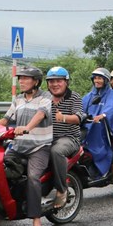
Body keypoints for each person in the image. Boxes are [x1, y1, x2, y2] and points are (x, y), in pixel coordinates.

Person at [0, 67, 53, 226]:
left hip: (39, 147)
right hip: (18, 148)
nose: (21, 82)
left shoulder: (45, 97)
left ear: (36, 81)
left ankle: (36, 221)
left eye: (26, 79)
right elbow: (5, 119)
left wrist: (27, 128)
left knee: (33, 178)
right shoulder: (18, 99)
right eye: (20, 79)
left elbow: (40, 115)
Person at [83, 67, 113, 199]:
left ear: (106, 80)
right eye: (95, 78)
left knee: (111, 157)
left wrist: (103, 115)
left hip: (105, 130)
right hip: (90, 129)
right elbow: (82, 107)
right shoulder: (90, 95)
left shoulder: (111, 93)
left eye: (100, 78)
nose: (97, 80)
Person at [46, 66, 84, 210]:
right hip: (47, 137)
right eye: (51, 81)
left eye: (58, 81)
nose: (55, 84)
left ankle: (62, 190)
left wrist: (63, 118)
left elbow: (79, 117)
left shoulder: (74, 96)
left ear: (66, 82)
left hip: (69, 138)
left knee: (56, 151)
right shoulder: (45, 98)